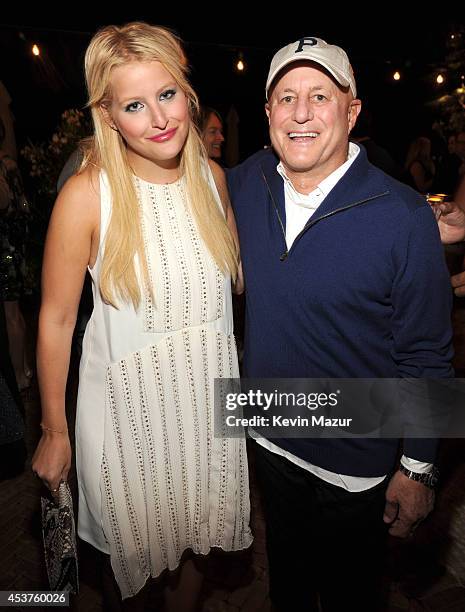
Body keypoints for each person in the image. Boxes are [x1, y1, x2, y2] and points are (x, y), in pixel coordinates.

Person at [227, 37, 453, 612]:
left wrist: (419, 468)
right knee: (289, 591)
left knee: (353, 597)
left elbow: (427, 354)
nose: (301, 113)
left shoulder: (403, 217)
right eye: (286, 97)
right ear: (269, 114)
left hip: (357, 457)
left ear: (352, 112)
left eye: (320, 96)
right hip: (268, 429)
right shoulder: (240, 186)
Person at [31, 22, 252, 610]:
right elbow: (54, 319)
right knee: (131, 573)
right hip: (129, 418)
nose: (159, 118)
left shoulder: (213, 180)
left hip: (206, 405)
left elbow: (236, 286)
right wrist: (54, 431)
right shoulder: (88, 194)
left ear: (187, 92)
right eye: (134, 104)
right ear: (108, 116)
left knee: (199, 549)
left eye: (168, 94)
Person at [0, 117, 33, 391]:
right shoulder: (10, 163)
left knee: (11, 316)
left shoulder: (2, 168)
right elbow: (24, 205)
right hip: (15, 248)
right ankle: (23, 368)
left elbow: (7, 202)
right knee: (16, 313)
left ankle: (20, 376)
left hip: (6, 253)